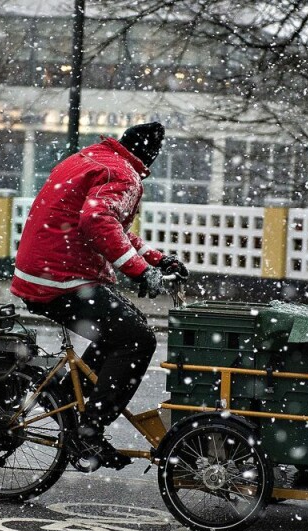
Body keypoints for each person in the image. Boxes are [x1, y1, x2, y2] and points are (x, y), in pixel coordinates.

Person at [10, 122, 188, 470]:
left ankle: (65, 396)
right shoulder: (124, 175)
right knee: (137, 340)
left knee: (122, 330)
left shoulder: (95, 158)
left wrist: (156, 259)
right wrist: (139, 271)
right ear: (150, 153)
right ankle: (87, 433)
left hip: (45, 271)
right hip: (61, 279)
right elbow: (97, 222)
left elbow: (113, 227)